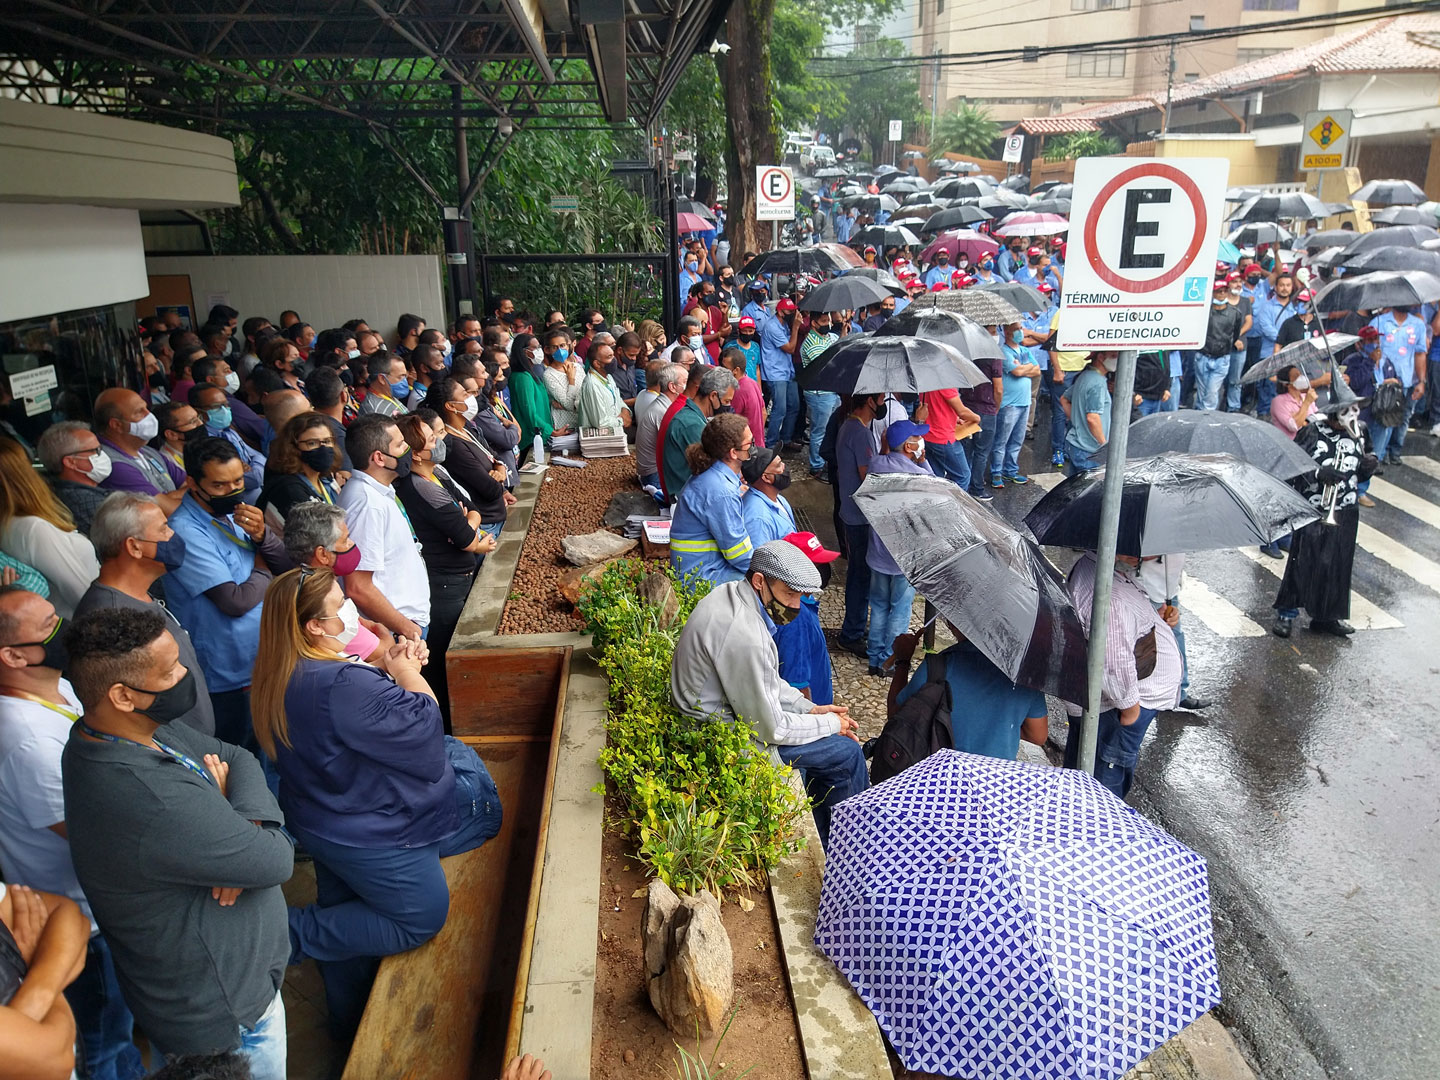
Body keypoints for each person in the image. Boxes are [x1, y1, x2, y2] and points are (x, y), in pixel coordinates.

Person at [252, 568, 500, 1039]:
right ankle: (283, 936)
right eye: (339, 605)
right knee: (423, 913)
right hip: (370, 830)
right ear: (313, 627)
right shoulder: (339, 683)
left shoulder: (281, 665)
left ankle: (345, 1026)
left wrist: (390, 665)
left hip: (324, 819)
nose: (350, 609)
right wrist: (406, 671)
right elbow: (425, 726)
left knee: (345, 906)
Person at [61, 608, 293, 1079]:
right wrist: (240, 835)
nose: (187, 675)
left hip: (228, 990)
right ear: (123, 695)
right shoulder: (148, 797)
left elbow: (237, 755)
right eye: (169, 672)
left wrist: (237, 821)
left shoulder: (128, 730)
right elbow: (276, 859)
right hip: (229, 1025)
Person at [0, 588, 147, 1080]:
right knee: (100, 1043)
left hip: (94, 907)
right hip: (87, 919)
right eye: (48, 627)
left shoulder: (55, 685)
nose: (65, 628)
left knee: (119, 1037)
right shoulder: (24, 739)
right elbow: (97, 832)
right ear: (13, 656)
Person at [670, 541, 864, 846]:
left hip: (718, 718)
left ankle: (828, 835)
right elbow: (772, 728)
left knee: (830, 744)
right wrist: (830, 725)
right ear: (760, 580)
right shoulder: (745, 635)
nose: (795, 607)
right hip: (718, 738)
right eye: (789, 594)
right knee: (847, 754)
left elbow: (768, 680)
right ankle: (850, 851)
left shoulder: (729, 595)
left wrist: (808, 708)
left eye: (800, 596)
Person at [165, 437, 292, 747]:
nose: (233, 491)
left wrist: (264, 537)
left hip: (263, 657)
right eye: (220, 485)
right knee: (244, 754)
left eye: (238, 480)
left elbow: (286, 565)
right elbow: (234, 600)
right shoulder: (185, 530)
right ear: (193, 483)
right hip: (229, 673)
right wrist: (263, 570)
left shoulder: (236, 515)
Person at [75, 492, 216, 737]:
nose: (173, 536)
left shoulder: (138, 596)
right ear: (134, 546)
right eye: (164, 530)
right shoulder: (109, 617)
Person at [395, 413, 496, 727]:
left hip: (460, 575)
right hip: (444, 584)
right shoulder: (418, 487)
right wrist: (468, 532)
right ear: (414, 452)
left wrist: (467, 524)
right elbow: (465, 537)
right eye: (432, 437)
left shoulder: (437, 472)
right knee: (441, 661)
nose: (440, 441)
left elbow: (473, 507)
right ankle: (447, 726)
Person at [1063, 551, 1182, 798]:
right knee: (1103, 792)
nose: (1156, 553)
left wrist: (1152, 619)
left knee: (1084, 774)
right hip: (1118, 709)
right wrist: (1130, 710)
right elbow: (1114, 661)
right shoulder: (1110, 598)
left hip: (1114, 705)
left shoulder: (1096, 568)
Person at [1273, 373, 1378, 638]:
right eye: (1348, 410)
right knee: (1303, 560)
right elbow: (1293, 465)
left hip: (1345, 507)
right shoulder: (1312, 431)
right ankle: (1287, 613)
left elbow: (1362, 468)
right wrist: (1319, 474)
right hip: (1315, 507)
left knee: (1338, 563)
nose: (1353, 415)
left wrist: (1368, 469)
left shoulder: (1361, 432)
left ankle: (1326, 616)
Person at [887, 623, 1048, 761]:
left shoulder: (937, 668)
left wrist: (903, 661)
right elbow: (1038, 735)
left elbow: (895, 714)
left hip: (937, 783)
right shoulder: (1025, 674)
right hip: (995, 787)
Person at [338, 416, 429, 642]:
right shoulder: (366, 504)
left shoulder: (377, 492)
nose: (408, 448)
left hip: (405, 626)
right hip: (396, 633)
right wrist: (407, 629)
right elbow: (357, 586)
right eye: (400, 445)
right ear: (379, 458)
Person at [861, 419, 933, 677]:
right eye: (917, 437)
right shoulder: (918, 475)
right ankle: (888, 660)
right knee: (900, 610)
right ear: (909, 445)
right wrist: (923, 461)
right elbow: (935, 491)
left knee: (879, 605)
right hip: (905, 557)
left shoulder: (876, 465)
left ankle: (873, 657)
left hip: (878, 552)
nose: (921, 441)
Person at [0, 439, 99, 619]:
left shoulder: (10, 525)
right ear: (22, 474)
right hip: (80, 626)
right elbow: (82, 593)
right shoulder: (32, 528)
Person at [668, 415, 755, 587]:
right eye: (750, 444)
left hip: (696, 569)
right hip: (703, 578)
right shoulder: (721, 492)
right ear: (733, 453)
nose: (753, 448)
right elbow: (739, 555)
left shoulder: (713, 477)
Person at [424, 377, 511, 543]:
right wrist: (499, 479)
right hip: (487, 524)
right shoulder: (453, 445)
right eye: (465, 394)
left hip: (497, 514)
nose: (472, 398)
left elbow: (495, 456)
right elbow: (489, 488)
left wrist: (500, 469)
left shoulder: (467, 428)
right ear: (451, 406)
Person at [1129, 555, 1209, 712]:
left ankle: (1178, 693)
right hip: (1145, 587)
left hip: (1168, 587)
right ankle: (1133, 698)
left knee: (1174, 639)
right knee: (1141, 643)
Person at [834, 393, 881, 658]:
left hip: (849, 511)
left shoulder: (848, 426)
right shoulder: (860, 433)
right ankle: (851, 632)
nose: (883, 403)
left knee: (858, 573)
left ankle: (855, 626)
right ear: (869, 401)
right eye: (880, 398)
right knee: (860, 576)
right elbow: (869, 476)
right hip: (860, 515)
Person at [93, 388, 186, 512]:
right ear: (117, 425)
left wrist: (169, 497)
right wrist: (176, 499)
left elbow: (194, 486)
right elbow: (170, 511)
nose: (149, 415)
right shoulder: (113, 466)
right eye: (139, 412)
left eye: (146, 408)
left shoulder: (148, 451)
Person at [660, 366, 736, 502]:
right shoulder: (692, 424)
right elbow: (713, 469)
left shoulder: (693, 416)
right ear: (713, 396)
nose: (728, 406)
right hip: (687, 499)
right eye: (726, 401)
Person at [257, 412, 343, 527]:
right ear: (293, 447)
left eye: (327, 441)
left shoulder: (325, 477)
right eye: (312, 443)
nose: (323, 448)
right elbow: (319, 534)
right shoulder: (288, 490)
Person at [1369, 304, 1430, 465]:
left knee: (1403, 417)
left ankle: (1395, 452)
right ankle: (1379, 455)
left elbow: (1420, 354)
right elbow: (1368, 349)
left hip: (1407, 381)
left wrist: (1421, 382)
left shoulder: (1418, 325)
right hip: (1383, 381)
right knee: (1384, 417)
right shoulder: (1379, 322)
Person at [36, 422, 111, 535]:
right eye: (96, 450)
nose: (102, 454)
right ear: (71, 462)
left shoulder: (62, 488)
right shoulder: (85, 502)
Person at [989, 321, 1040, 487]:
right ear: (1007, 331)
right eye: (1017, 329)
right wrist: (1025, 368)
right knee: (1001, 441)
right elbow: (1016, 371)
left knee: (1017, 441)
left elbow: (1037, 369)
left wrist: (1022, 368)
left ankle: (1010, 471)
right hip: (1009, 404)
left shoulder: (1024, 350)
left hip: (1024, 402)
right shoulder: (1003, 352)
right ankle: (996, 472)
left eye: (1020, 328)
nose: (1021, 332)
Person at [191, 383, 266, 495]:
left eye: (226, 405)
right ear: (199, 412)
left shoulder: (227, 431)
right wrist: (254, 469)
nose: (225, 410)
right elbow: (254, 480)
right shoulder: (205, 442)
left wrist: (253, 466)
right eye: (217, 406)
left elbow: (259, 456)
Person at [797, 311, 840, 479]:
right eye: (823, 321)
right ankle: (816, 466)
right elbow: (828, 365)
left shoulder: (830, 337)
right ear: (814, 324)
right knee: (819, 431)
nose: (827, 324)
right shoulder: (809, 344)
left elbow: (839, 347)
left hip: (832, 391)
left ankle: (827, 460)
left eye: (828, 320)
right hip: (819, 393)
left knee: (832, 428)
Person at [1060, 352, 1114, 477]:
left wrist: (1077, 422)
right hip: (1090, 450)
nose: (1117, 359)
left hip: (1076, 444)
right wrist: (1104, 446)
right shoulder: (1098, 383)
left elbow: (1064, 399)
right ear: (1101, 357)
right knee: (1090, 492)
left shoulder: (1085, 375)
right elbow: (1092, 418)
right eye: (1113, 356)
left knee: (1074, 491)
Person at [1195, 283, 1247, 411]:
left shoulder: (1235, 313)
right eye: (1219, 291)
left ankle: (1207, 422)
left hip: (1221, 357)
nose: (1222, 294)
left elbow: (1234, 334)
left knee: (1211, 394)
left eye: (1224, 291)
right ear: (1213, 293)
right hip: (1203, 355)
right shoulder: (1204, 310)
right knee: (1201, 394)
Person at [761, 298, 804, 449]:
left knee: (794, 406)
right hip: (775, 373)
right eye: (789, 311)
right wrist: (796, 327)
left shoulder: (784, 324)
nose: (792, 314)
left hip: (787, 370)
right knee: (780, 409)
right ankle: (771, 443)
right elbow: (790, 348)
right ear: (780, 312)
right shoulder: (772, 326)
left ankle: (785, 439)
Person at [636, 362, 683, 492]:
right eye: (685, 381)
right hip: (653, 475)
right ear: (672, 387)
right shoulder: (663, 410)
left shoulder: (661, 403)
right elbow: (676, 451)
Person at [740, 446, 796, 547]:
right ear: (766, 477)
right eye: (779, 465)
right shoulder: (758, 519)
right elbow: (759, 559)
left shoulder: (778, 498)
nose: (784, 466)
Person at [718, 346, 766, 451]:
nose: (721, 371)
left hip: (745, 449)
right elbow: (764, 413)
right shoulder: (752, 383)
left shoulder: (736, 390)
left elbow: (730, 423)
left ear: (736, 370)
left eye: (725, 368)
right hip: (758, 445)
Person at [577, 341, 630, 432]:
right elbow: (600, 422)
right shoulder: (592, 385)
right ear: (597, 363)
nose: (614, 360)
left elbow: (618, 399)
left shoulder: (608, 376)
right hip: (600, 442)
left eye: (613, 355)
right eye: (609, 357)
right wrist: (622, 421)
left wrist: (625, 410)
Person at [540, 327, 583, 434]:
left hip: (583, 422)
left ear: (569, 346)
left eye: (562, 345)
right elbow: (569, 404)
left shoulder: (578, 367)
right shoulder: (549, 374)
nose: (560, 350)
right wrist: (571, 380)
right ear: (547, 350)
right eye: (555, 347)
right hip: (565, 427)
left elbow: (586, 395)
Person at [153, 400, 207, 471]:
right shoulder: (168, 464)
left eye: (199, 417)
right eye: (192, 421)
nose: (200, 423)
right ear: (171, 434)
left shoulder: (205, 448)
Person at [1270, 365, 1320, 439]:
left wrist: (1304, 421)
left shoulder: (1305, 396)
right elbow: (1295, 426)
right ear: (1286, 384)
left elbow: (1318, 418)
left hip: (1312, 439)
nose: (1301, 377)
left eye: (1300, 374)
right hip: (1294, 444)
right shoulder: (1278, 402)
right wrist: (1306, 403)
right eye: (1296, 376)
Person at [357, 353, 410, 418]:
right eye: (400, 377)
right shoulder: (373, 411)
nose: (404, 381)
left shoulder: (390, 396)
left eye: (405, 376)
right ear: (382, 379)